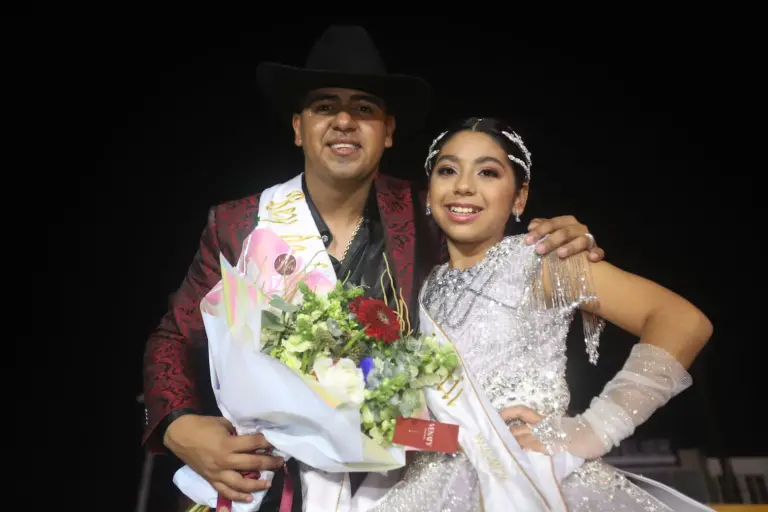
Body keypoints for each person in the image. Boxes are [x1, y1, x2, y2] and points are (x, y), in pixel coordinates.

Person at [142, 27, 604, 511]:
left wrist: (568, 239)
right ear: (298, 127)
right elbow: (173, 337)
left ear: (388, 131)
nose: (344, 121)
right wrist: (178, 426)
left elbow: (503, 253)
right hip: (264, 483)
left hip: (402, 485)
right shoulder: (240, 223)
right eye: (325, 106)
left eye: (363, 108)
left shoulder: (431, 216)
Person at [366, 117, 714, 511]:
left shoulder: (541, 261)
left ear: (519, 198)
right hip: (430, 486)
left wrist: (595, 428)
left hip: (529, 480)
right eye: (447, 170)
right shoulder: (419, 286)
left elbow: (682, 322)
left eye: (487, 172)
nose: (464, 185)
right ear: (428, 194)